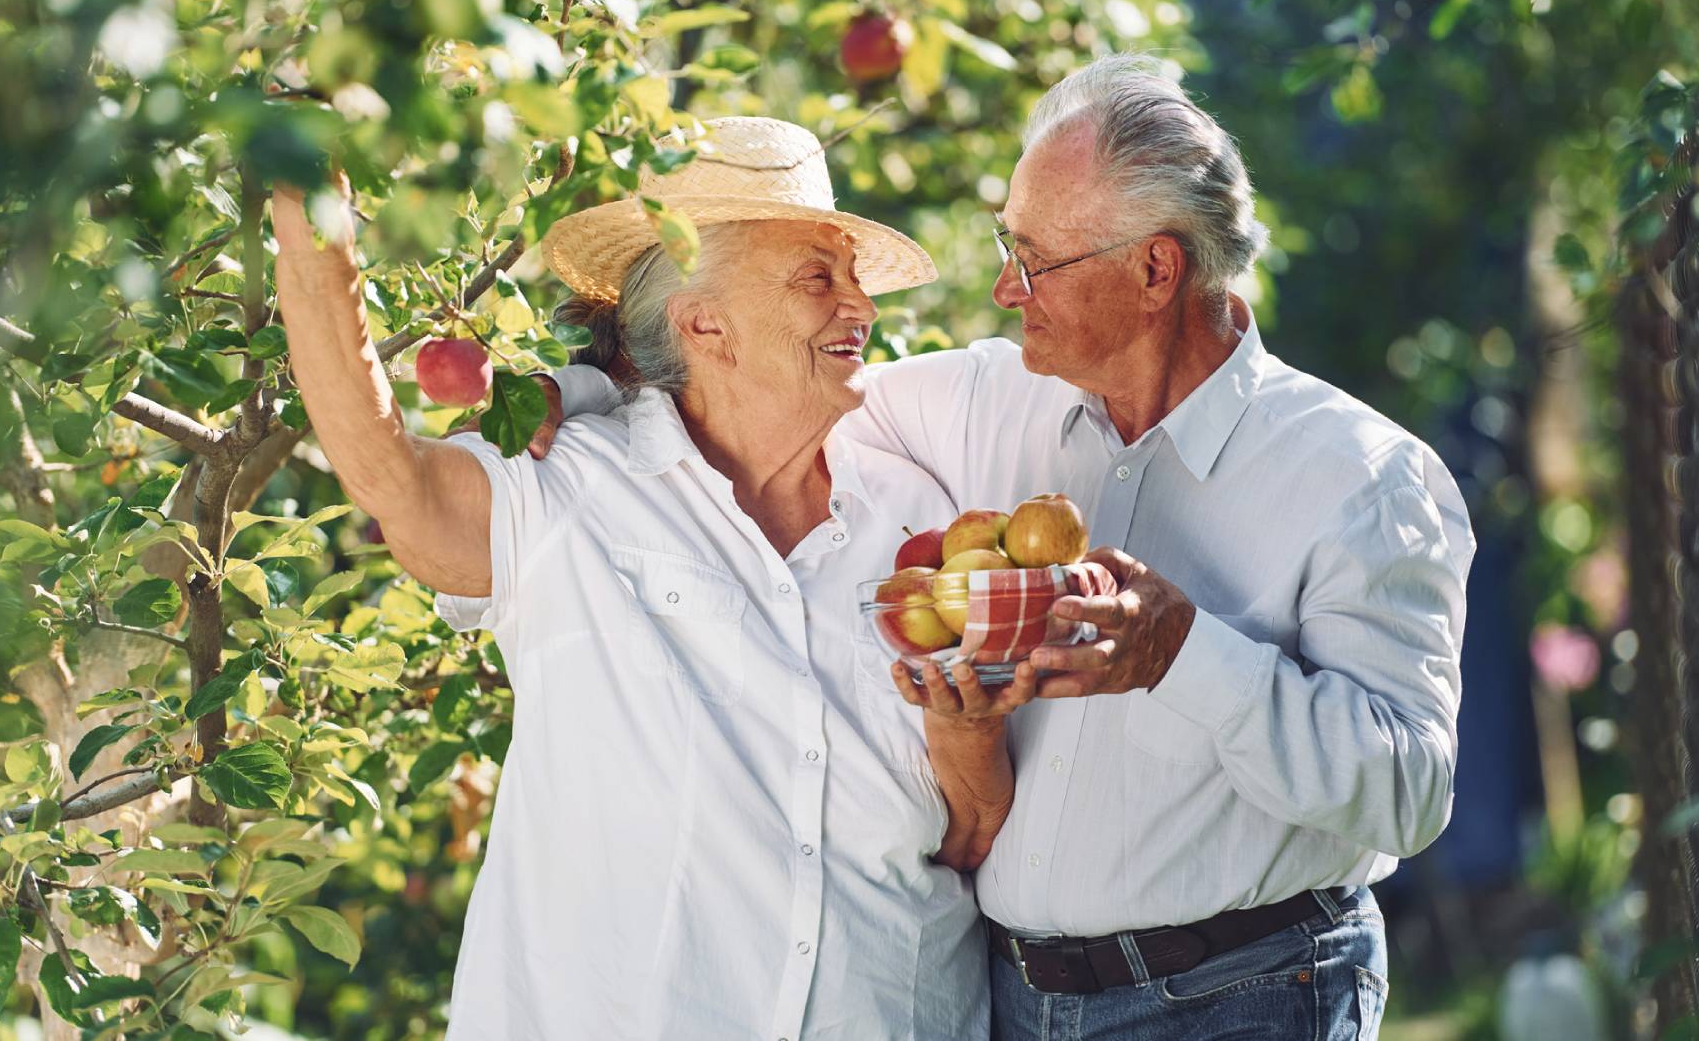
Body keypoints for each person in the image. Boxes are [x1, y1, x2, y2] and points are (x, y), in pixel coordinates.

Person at [550, 55, 1474, 1041]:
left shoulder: (1362, 476)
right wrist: (585, 396)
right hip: (1014, 1001)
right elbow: (752, 394)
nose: (1002, 288)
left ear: (1155, 270)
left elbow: (1410, 793)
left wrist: (1188, 655)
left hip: (1240, 997)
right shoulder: (981, 401)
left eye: (1035, 259)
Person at [270, 116, 1032, 1040]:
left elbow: (965, 833)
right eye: (817, 278)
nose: (860, 308)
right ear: (704, 320)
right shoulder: (567, 485)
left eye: (856, 277)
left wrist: (969, 741)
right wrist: (309, 210)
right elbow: (390, 475)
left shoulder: (920, 517)